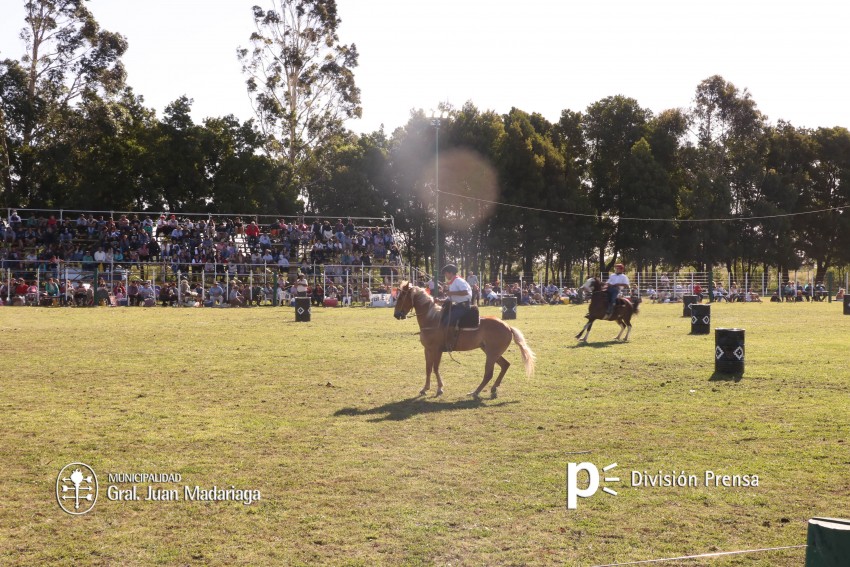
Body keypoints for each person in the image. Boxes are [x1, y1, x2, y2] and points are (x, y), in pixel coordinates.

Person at [439, 264, 472, 350]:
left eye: (446, 274)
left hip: (463, 306)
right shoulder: (452, 283)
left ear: (450, 273)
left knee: (447, 320)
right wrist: (439, 301)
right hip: (458, 305)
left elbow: (465, 292)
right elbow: (450, 298)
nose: (446, 276)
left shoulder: (458, 281)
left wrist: (451, 293)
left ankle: (449, 343)